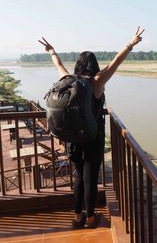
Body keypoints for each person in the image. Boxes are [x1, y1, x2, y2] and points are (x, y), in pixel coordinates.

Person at [38, 26, 144, 228]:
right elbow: (115, 63)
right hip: (92, 139)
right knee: (90, 178)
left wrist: (51, 51)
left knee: (78, 177)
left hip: (71, 138)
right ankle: (91, 218)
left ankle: (77, 216)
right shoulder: (96, 81)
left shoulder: (67, 80)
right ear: (94, 65)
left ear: (78, 65)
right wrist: (131, 43)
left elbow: (58, 64)